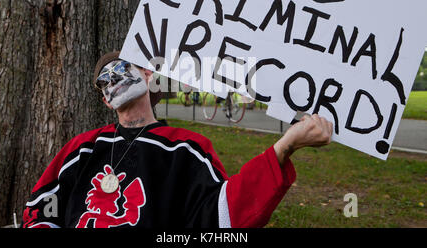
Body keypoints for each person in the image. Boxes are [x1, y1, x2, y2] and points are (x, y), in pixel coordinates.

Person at [21, 51, 333, 228]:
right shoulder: (82, 148)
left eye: (120, 70)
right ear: (105, 100)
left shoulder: (186, 148)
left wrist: (284, 147)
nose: (113, 81)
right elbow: (39, 210)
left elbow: (221, 214)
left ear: (146, 75)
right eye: (105, 81)